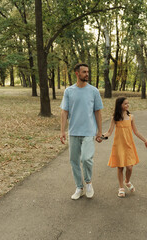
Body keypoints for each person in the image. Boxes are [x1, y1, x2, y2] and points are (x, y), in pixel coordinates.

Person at [60, 63, 103, 200]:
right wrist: (62, 131)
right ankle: (79, 186)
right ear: (77, 73)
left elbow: (98, 112)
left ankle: (88, 183)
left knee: (86, 159)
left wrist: (99, 132)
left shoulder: (94, 91)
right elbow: (64, 111)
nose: (87, 74)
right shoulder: (69, 91)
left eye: (88, 71)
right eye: (84, 72)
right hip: (73, 132)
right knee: (74, 161)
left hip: (89, 131)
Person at [103, 97, 147, 198]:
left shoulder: (131, 117)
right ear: (120, 105)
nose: (127, 105)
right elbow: (109, 132)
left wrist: (146, 141)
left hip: (129, 145)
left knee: (130, 167)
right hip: (119, 145)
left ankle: (127, 181)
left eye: (128, 104)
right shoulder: (115, 117)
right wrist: (101, 136)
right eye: (125, 104)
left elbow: (136, 132)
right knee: (120, 167)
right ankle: (121, 187)